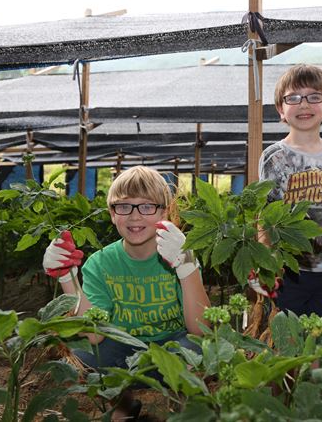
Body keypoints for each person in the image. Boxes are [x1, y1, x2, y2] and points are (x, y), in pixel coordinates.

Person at [42, 165, 210, 421]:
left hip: (173, 347)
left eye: (147, 206)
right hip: (122, 351)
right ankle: (123, 406)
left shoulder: (178, 252)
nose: (134, 216)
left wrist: (187, 267)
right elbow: (93, 336)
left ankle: (179, 408)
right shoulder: (100, 263)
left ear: (164, 211)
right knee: (81, 358)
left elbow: (201, 329)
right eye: (124, 206)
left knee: (199, 350)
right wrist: (67, 277)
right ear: (112, 213)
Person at [250, 64, 322, 325]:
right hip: (289, 267)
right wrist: (266, 259)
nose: (304, 104)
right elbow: (266, 212)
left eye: (314, 96)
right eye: (293, 98)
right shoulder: (275, 157)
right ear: (281, 110)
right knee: (289, 336)